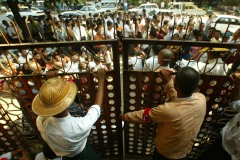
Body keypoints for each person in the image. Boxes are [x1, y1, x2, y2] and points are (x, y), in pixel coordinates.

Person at [121, 67, 206, 160]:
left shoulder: (168, 110)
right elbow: (179, 100)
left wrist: (123, 116)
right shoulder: (201, 98)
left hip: (166, 154)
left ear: (176, 85)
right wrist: (168, 83)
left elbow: (143, 115)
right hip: (186, 151)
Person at [32, 68, 106, 160]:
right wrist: (101, 81)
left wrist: (52, 85)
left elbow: (51, 103)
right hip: (83, 154)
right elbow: (97, 107)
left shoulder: (41, 121)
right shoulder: (79, 125)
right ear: (67, 103)